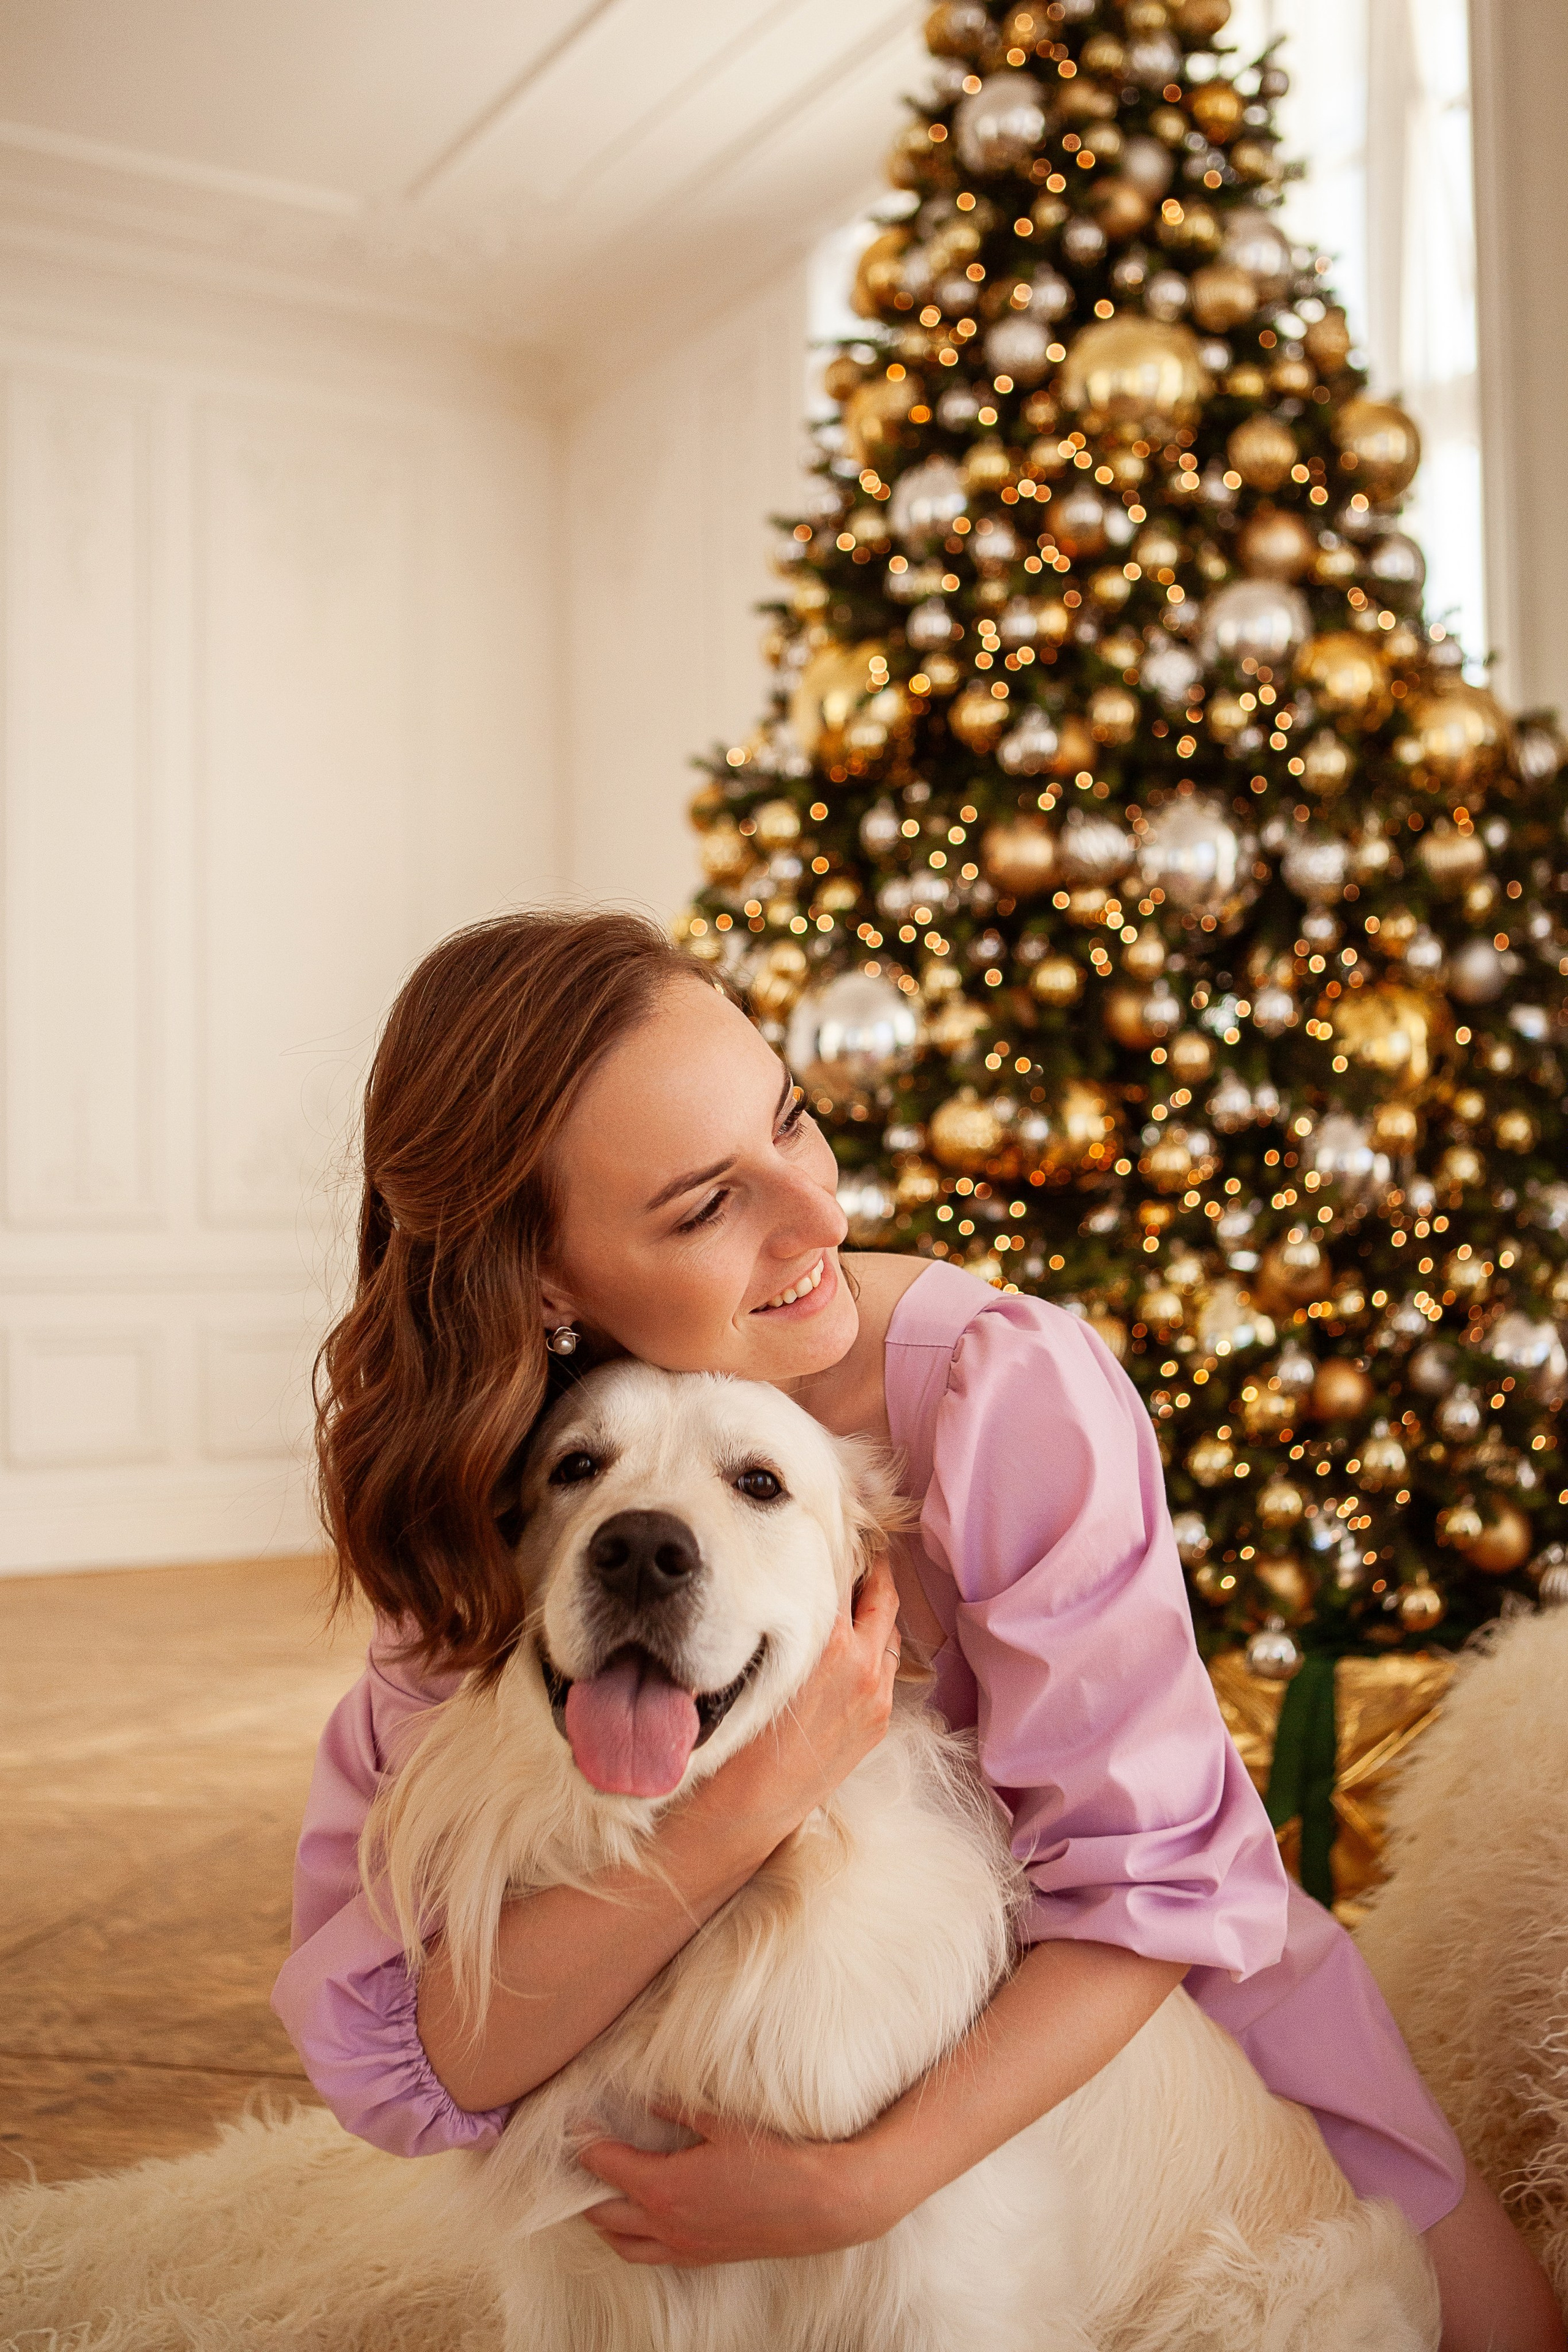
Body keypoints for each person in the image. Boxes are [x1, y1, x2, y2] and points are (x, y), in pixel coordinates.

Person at [274, 908, 1562, 2352]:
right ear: (546, 1281)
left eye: (794, 1126)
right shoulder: (507, 1481)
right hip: (754, 2010)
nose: (819, 1219)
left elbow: (1148, 1891)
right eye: (706, 1205)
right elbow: (424, 2053)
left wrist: (853, 2190)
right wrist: (767, 1785)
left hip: (1149, 2040)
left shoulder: (1000, 1397)